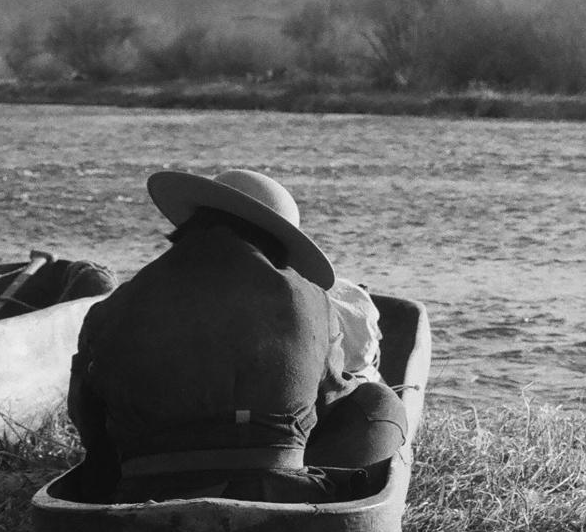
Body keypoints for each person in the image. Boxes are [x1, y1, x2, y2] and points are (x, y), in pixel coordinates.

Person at [65, 168, 406, 503]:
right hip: (276, 494)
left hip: (141, 488)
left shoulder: (113, 305)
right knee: (379, 402)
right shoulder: (310, 299)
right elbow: (329, 400)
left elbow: (86, 410)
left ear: (194, 225)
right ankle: (337, 503)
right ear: (276, 243)